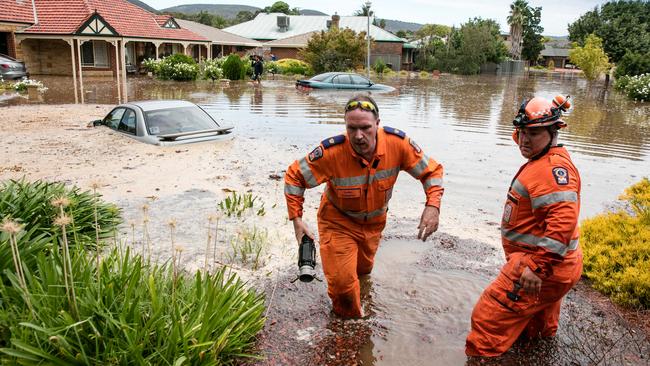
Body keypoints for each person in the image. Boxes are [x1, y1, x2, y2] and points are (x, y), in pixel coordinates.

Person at [284, 95, 444, 318]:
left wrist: (432, 206)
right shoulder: (331, 153)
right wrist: (297, 220)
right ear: (345, 126)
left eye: (365, 128)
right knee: (343, 287)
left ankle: (360, 307)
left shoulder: (398, 144)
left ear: (377, 124)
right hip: (338, 222)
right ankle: (349, 331)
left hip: (374, 226)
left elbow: (432, 171)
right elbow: (294, 177)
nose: (358, 136)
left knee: (363, 273)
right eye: (352, 128)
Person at [465, 95, 583, 357]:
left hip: (540, 266)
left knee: (488, 321)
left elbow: (563, 222)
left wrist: (537, 269)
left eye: (533, 133)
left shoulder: (551, 170)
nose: (524, 140)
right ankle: (535, 357)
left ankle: (482, 359)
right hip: (557, 266)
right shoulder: (544, 160)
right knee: (537, 329)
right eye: (521, 133)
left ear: (553, 131)